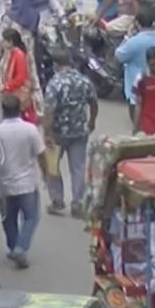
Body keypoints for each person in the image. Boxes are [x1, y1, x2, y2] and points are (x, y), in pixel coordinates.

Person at [42, 47, 97, 218]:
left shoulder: (54, 84)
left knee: (52, 166)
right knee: (78, 167)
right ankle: (77, 203)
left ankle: (57, 200)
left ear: (56, 65)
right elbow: (93, 102)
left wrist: (47, 133)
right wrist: (92, 121)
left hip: (58, 133)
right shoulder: (84, 81)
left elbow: (49, 111)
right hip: (79, 131)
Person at [0, 95, 47, 268]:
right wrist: (45, 173)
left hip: (4, 183)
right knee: (31, 217)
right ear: (20, 110)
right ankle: (21, 247)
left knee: (8, 218)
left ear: (3, 111)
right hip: (27, 184)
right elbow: (41, 154)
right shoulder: (30, 130)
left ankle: (14, 247)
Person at [115, 12, 155, 127]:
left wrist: (127, 36)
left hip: (136, 89)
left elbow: (119, 55)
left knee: (139, 125)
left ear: (137, 24)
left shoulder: (133, 42)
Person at [0, 29, 36, 123]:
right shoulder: (10, 53)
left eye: (4, 40)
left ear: (10, 42)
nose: (2, 42)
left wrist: (6, 87)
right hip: (12, 91)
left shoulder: (19, 56)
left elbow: (20, 78)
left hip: (17, 93)